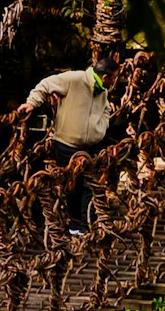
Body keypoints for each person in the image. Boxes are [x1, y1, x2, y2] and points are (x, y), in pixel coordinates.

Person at [23, 65, 112, 237]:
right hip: (67, 145)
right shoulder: (74, 79)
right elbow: (46, 84)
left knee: (91, 185)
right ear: (106, 76)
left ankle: (89, 223)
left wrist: (101, 127)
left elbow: (106, 109)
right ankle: (74, 224)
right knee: (72, 185)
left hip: (91, 145)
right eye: (114, 77)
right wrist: (31, 103)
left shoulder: (103, 90)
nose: (115, 81)